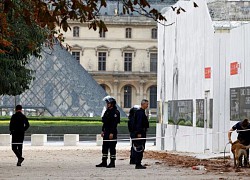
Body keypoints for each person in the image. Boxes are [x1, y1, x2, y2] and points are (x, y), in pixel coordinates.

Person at [96, 96, 120, 168]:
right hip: (106, 131)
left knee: (112, 148)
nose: (107, 104)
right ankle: (104, 161)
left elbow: (114, 124)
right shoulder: (107, 111)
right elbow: (104, 122)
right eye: (107, 103)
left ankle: (112, 162)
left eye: (108, 103)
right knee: (105, 147)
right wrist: (102, 130)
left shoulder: (116, 112)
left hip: (112, 132)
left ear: (112, 104)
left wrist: (112, 133)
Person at [133, 99, 149, 169]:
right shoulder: (140, 113)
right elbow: (139, 123)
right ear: (143, 104)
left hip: (142, 132)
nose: (147, 105)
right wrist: (139, 133)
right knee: (140, 148)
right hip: (140, 133)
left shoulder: (142, 112)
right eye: (146, 104)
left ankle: (138, 162)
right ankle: (138, 163)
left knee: (141, 147)